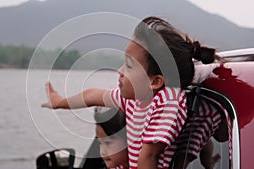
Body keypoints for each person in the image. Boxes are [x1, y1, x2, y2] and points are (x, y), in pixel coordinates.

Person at [42, 16, 217, 169]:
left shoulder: (167, 101)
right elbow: (94, 95)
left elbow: (149, 156)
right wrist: (60, 102)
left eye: (129, 66)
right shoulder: (136, 99)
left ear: (155, 81)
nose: (120, 71)